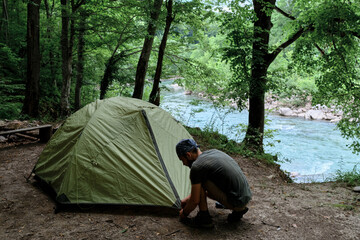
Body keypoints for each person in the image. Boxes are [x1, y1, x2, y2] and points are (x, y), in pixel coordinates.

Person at [176, 139, 252, 228]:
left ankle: (204, 218)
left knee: (200, 180)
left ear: (188, 155)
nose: (183, 164)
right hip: (245, 197)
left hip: (237, 202)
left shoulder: (197, 167)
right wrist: (187, 200)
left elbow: (195, 201)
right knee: (202, 180)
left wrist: (184, 213)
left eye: (182, 160)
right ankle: (238, 210)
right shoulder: (214, 152)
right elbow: (199, 195)